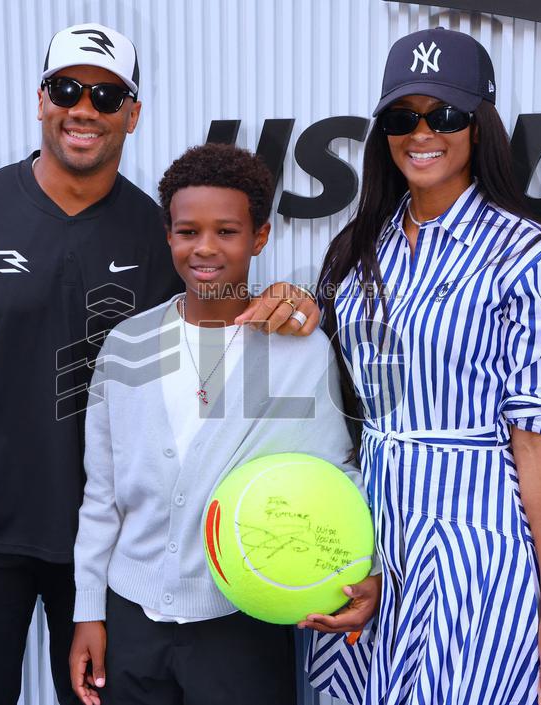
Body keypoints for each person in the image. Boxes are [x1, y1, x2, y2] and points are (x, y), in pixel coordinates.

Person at [0, 23, 319, 705]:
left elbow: (217, 313)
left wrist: (287, 296)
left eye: (107, 94)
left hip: (110, 554)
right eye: (68, 88)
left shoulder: (165, 233)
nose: (84, 107)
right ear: (41, 100)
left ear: (133, 113)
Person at [309, 27, 541, 705]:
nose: (422, 132)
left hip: (474, 541)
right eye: (404, 117)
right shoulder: (360, 246)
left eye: (446, 115)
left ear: (478, 125)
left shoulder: (526, 252)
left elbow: (536, 438)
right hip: (370, 531)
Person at [67, 143, 378, 705]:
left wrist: (360, 572)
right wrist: (89, 611)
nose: (205, 248)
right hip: (131, 617)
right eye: (188, 231)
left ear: (259, 237)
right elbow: (102, 492)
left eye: (227, 231)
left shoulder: (297, 353)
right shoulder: (127, 344)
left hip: (241, 621)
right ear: (168, 235)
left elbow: (333, 478)